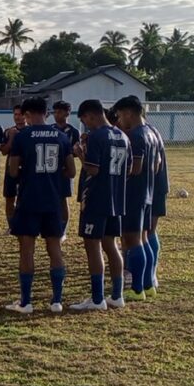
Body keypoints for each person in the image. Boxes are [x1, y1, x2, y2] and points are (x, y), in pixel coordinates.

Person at [4, 97, 76, 314]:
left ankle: (26, 302)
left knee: (27, 250)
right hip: (53, 200)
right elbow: (71, 171)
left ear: (26, 115)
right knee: (55, 249)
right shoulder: (62, 137)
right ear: (46, 113)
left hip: (29, 200)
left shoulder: (22, 136)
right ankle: (56, 301)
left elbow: (13, 171)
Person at [70, 99, 131, 311]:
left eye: (85, 120)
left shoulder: (97, 136)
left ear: (92, 115)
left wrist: (80, 155)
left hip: (96, 198)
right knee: (112, 245)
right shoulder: (123, 136)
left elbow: (93, 169)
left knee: (92, 245)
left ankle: (97, 299)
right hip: (116, 198)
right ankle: (117, 295)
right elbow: (128, 167)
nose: (86, 125)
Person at [112, 95, 159, 302]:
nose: (120, 121)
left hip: (134, 195)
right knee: (143, 239)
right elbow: (156, 165)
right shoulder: (152, 132)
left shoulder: (137, 136)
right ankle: (148, 285)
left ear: (129, 113)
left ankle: (137, 289)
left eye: (120, 116)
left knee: (133, 241)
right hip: (148, 193)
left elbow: (136, 168)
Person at [52, 101, 82, 237]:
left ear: (67, 113)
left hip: (65, 170)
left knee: (63, 199)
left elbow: (76, 151)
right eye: (55, 112)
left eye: (59, 112)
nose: (56, 115)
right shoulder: (49, 129)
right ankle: (51, 226)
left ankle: (63, 229)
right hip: (50, 170)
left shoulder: (74, 132)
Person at [147, 121, 168, 290]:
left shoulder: (144, 134)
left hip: (151, 189)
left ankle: (150, 275)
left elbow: (156, 163)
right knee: (148, 232)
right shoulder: (153, 131)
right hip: (156, 187)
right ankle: (150, 275)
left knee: (146, 233)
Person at [1, 104, 27, 230]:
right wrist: (11, 138)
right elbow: (4, 151)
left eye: (20, 114)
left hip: (27, 170)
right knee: (10, 198)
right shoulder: (8, 131)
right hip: (11, 169)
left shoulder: (31, 131)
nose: (17, 117)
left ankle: (25, 225)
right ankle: (11, 226)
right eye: (15, 114)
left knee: (26, 199)